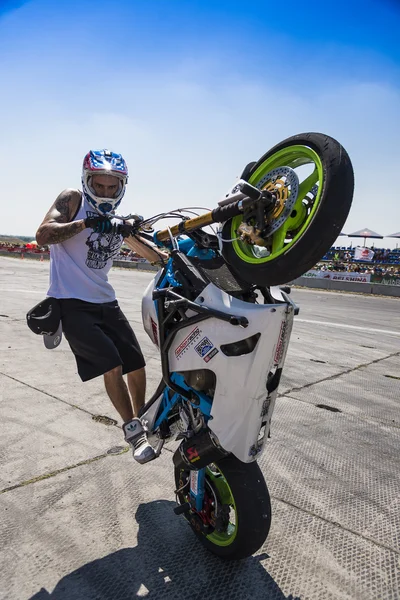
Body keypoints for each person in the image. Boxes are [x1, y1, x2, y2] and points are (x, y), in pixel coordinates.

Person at [36, 149, 168, 464]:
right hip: (70, 302)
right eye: (99, 186)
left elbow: (153, 255)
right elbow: (43, 235)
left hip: (106, 302)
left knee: (137, 365)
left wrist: (136, 230)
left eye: (113, 187)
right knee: (113, 364)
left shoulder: (115, 219)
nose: (106, 192)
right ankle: (133, 432)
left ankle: (145, 419)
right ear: (87, 182)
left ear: (122, 186)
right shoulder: (74, 201)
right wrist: (89, 222)